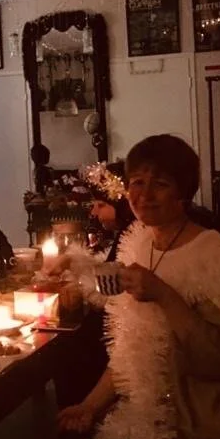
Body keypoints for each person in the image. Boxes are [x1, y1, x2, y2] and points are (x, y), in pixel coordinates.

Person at [27, 135, 220, 439]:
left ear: (183, 192)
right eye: (137, 182)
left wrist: (164, 295)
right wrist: (90, 406)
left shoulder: (211, 254)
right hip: (144, 416)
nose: (144, 194)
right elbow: (131, 347)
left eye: (161, 183)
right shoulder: (140, 242)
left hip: (191, 433)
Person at [42, 162, 135, 406]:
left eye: (101, 205)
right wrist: (72, 261)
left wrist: (77, 284)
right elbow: (106, 267)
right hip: (109, 324)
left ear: (123, 204)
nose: (94, 212)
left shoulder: (134, 235)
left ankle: (79, 413)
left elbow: (111, 287)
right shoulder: (125, 232)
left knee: (66, 350)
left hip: (117, 331)